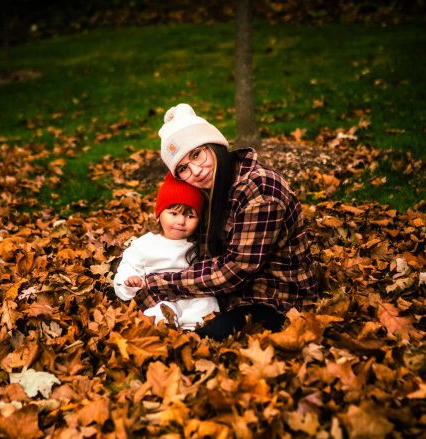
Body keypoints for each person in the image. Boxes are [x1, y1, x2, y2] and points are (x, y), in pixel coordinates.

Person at [135, 103, 318, 341]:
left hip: (275, 298)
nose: (197, 171)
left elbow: (235, 270)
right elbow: (195, 249)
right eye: (183, 169)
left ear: (214, 145)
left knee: (201, 339)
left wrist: (159, 283)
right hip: (231, 294)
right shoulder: (212, 187)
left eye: (197, 154)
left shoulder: (259, 190)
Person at [114, 172, 220, 330]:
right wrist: (130, 281)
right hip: (159, 295)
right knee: (163, 310)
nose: (181, 222)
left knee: (208, 303)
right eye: (173, 214)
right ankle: (166, 330)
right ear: (159, 214)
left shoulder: (198, 245)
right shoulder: (145, 245)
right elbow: (128, 266)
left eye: (190, 216)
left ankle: (192, 330)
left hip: (192, 293)